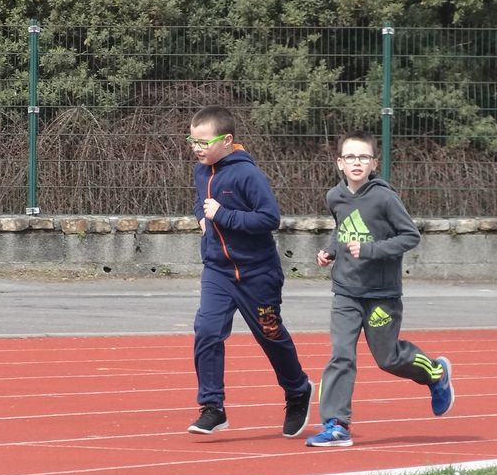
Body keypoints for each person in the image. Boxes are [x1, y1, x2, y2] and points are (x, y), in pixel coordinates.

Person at [306, 131, 454, 448]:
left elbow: (410, 236)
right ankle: (336, 424)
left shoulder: (385, 198)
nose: (356, 162)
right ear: (339, 163)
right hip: (345, 291)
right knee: (340, 355)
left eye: (363, 157)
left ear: (374, 163)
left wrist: (372, 250)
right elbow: (343, 228)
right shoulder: (335, 196)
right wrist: (330, 251)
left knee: (388, 358)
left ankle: (435, 373)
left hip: (381, 296)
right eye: (350, 157)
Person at [186, 105, 313, 437]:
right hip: (218, 270)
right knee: (207, 331)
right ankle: (212, 406)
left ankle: (297, 389)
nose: (197, 148)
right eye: (192, 141)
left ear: (227, 140)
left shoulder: (247, 175)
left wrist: (222, 215)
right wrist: (202, 218)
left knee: (270, 334)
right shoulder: (201, 170)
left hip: (257, 273)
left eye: (203, 142)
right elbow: (201, 201)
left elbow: (269, 218)